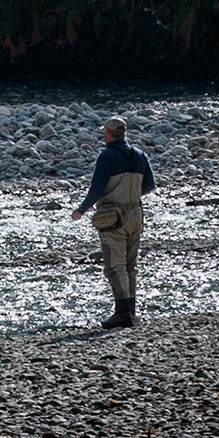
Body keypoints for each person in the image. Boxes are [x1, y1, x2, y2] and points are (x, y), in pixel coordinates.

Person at [70, 115, 156, 328]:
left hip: (113, 216)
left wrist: (81, 210)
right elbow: (150, 185)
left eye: (104, 133)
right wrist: (131, 197)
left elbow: (96, 188)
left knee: (114, 265)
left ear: (108, 134)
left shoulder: (106, 156)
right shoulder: (140, 155)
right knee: (130, 264)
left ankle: (122, 313)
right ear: (123, 133)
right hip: (136, 214)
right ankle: (131, 311)